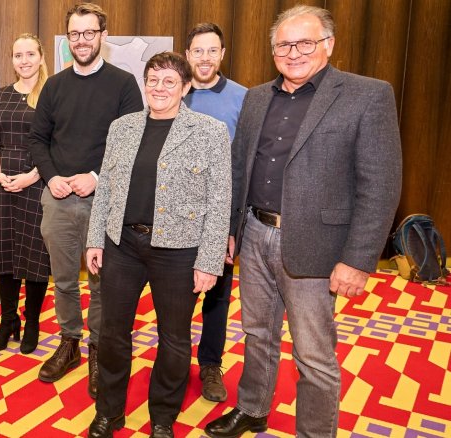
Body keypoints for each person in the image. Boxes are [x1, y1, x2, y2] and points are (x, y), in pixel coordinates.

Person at [205, 5, 402, 437]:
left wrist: (358, 260)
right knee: (257, 333)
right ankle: (253, 408)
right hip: (254, 233)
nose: (293, 53)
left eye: (305, 43)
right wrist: (229, 232)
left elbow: (381, 184)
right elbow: (240, 169)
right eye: (283, 45)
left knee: (314, 354)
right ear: (272, 50)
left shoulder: (367, 95)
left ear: (328, 45)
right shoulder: (256, 98)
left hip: (318, 246)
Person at [85, 52, 231, 438]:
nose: (159, 88)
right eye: (152, 79)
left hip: (180, 252)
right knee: (113, 334)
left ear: (185, 88)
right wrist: (95, 238)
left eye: (169, 81)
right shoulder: (122, 127)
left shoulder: (210, 132)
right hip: (123, 245)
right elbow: (106, 190)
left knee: (174, 339)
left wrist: (209, 261)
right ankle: (109, 412)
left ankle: (163, 417)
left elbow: (220, 201)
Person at [27, 2, 144, 397]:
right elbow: (37, 140)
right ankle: (69, 342)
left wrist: (95, 177)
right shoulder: (54, 86)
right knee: (63, 280)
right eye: (75, 34)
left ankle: (98, 349)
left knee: (101, 283)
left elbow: (130, 143)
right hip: (58, 198)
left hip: (105, 201)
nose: (82, 41)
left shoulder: (124, 84)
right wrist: (52, 176)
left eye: (89, 33)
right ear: (67, 39)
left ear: (102, 36)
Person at [182, 22, 247, 402]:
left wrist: (231, 224)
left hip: (220, 219)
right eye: (197, 51)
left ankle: (210, 365)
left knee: (217, 298)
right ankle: (173, 360)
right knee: (176, 297)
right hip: (176, 220)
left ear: (222, 54)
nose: (204, 58)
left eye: (212, 50)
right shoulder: (173, 93)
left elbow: (243, 166)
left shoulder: (243, 97)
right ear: (187, 54)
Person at [0, 34, 51, 354]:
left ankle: (33, 322)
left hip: (36, 183)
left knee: (35, 258)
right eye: (17, 55)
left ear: (40, 56)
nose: (23, 60)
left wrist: (31, 176)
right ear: (11, 59)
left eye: (29, 54)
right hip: (1, 185)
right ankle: (8, 321)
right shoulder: (2, 96)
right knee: (6, 255)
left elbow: (55, 144)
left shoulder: (51, 95)